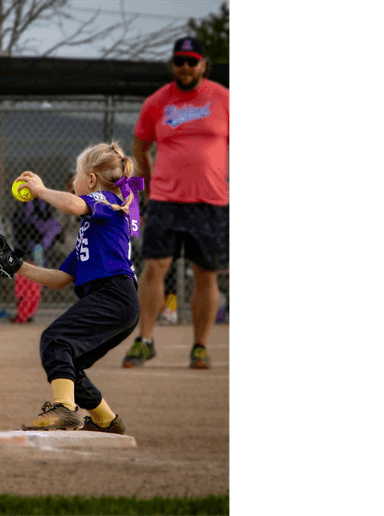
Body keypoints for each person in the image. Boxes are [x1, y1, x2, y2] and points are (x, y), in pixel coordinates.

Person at [13, 142, 142, 434]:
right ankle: (106, 421)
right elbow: (60, 278)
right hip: (116, 300)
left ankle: (66, 411)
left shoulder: (108, 202)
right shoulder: (92, 228)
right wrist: (16, 266)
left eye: (77, 173)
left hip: (114, 294)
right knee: (68, 361)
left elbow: (72, 205)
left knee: (56, 340)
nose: (74, 180)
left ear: (92, 180)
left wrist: (41, 191)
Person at [122, 36, 230, 370]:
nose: (185, 67)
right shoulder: (157, 102)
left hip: (211, 201)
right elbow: (140, 143)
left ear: (203, 65)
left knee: (205, 274)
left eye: (191, 61)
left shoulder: (224, 99)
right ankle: (145, 340)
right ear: (173, 65)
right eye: (179, 61)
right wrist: (146, 186)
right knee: (154, 267)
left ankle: (199, 346)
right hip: (166, 200)